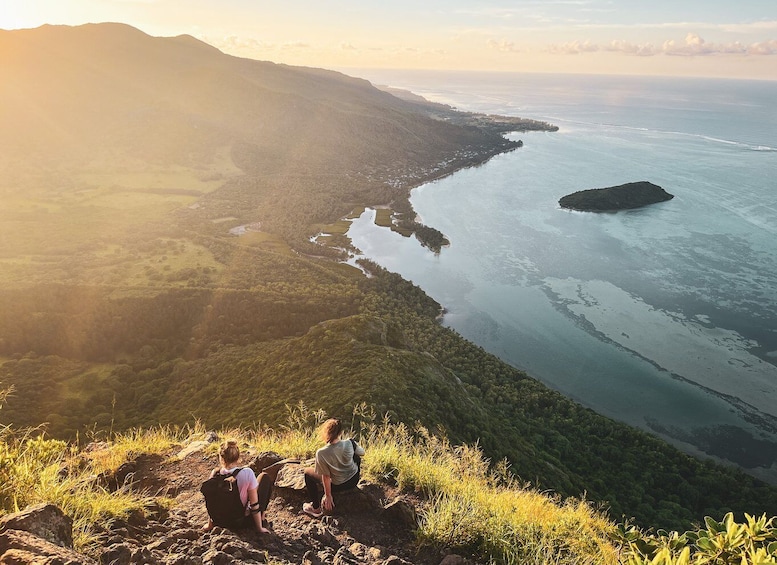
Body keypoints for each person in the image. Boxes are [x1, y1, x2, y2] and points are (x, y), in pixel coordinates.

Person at [204, 440, 272, 534]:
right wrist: (259, 528)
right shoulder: (247, 473)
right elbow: (254, 504)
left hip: (219, 522)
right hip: (240, 523)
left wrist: (209, 525)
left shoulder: (215, 473)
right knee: (264, 477)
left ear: (221, 458)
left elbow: (212, 502)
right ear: (238, 457)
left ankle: (213, 523)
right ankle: (262, 519)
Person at [302, 418, 365, 518]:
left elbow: (326, 476)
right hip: (353, 480)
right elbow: (362, 453)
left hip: (337, 486)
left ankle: (316, 508)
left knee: (307, 472)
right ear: (340, 432)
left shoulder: (321, 452)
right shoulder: (350, 443)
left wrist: (328, 495)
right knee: (356, 456)